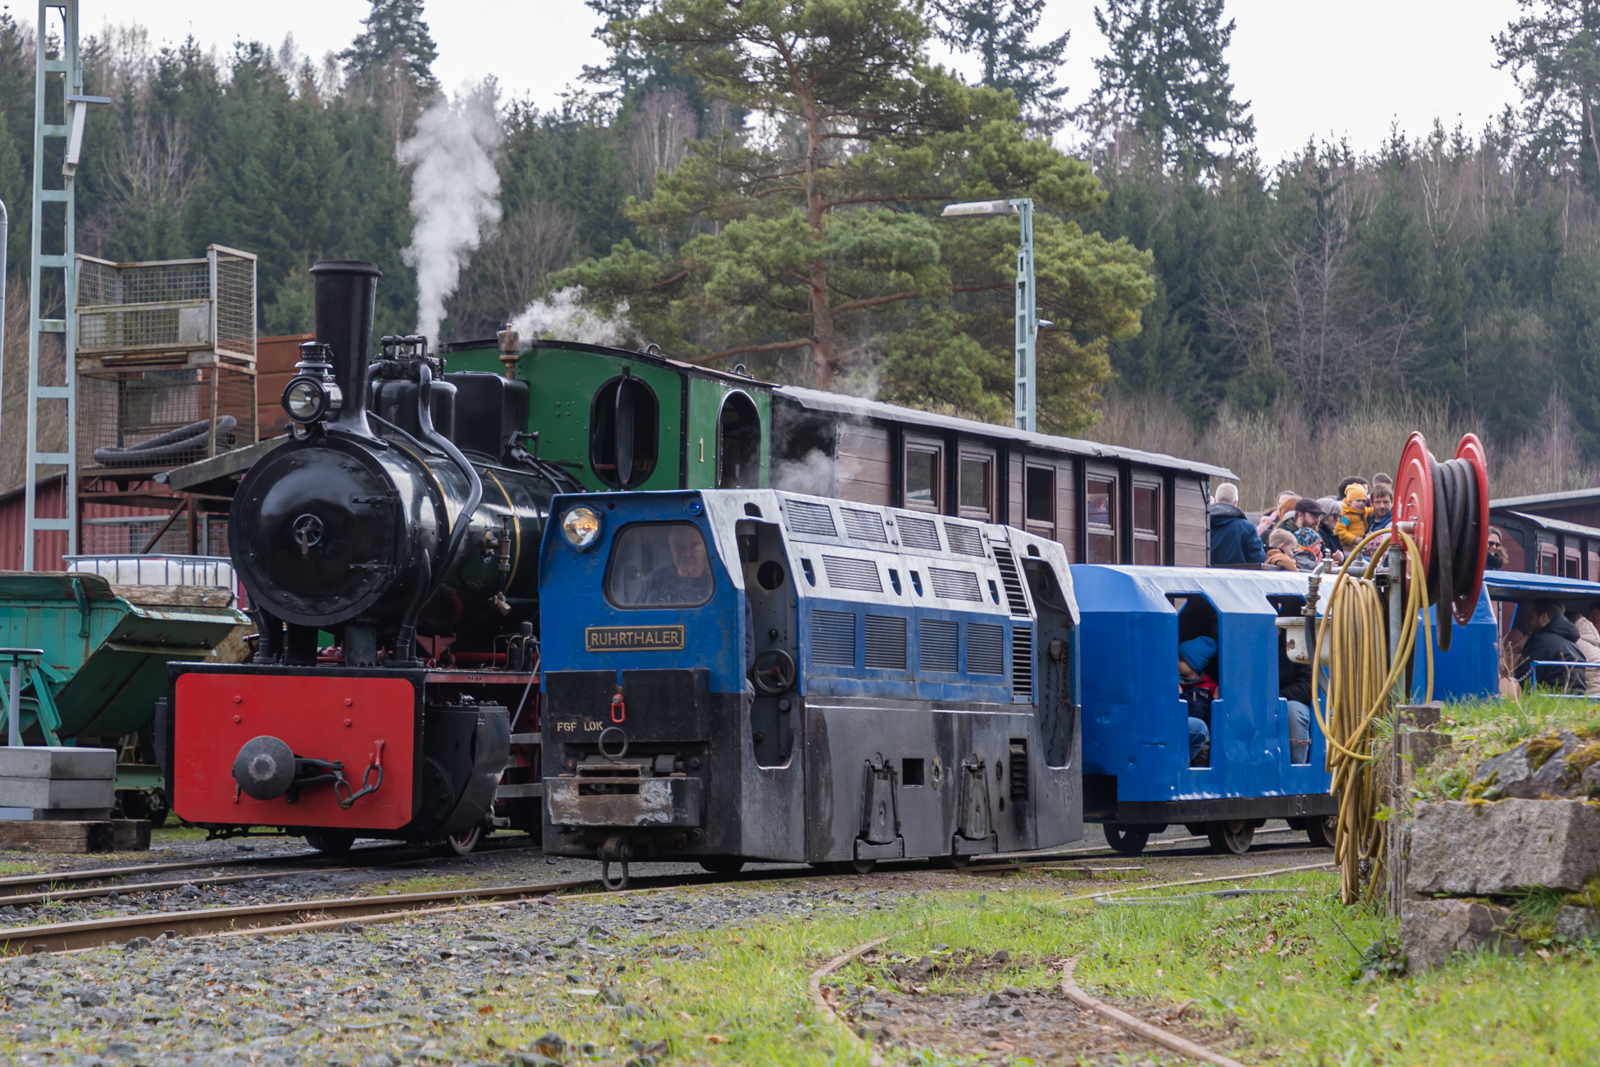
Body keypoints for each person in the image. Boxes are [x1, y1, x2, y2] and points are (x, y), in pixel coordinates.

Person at [1513, 599, 1584, 690]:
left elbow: (1523, 682)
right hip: (1578, 701)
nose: (1527, 623)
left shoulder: (1539, 641)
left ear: (1543, 618)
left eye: (1531, 617)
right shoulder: (1574, 646)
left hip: (1549, 700)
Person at [634, 525, 714, 604]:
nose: (686, 554)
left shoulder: (717, 581)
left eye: (694, 546)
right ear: (670, 544)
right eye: (679, 546)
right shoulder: (652, 582)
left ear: (705, 546)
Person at [1179, 636, 1218, 767]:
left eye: (1181, 660)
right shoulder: (1178, 685)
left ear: (1194, 664)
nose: (1176, 662)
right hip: (1185, 734)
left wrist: (1217, 699)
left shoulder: (1210, 686)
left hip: (1205, 738)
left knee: (1203, 757)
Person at [1279, 628, 1315, 764]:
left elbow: (1309, 686)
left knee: (1293, 711)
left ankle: (1297, 767)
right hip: (1258, 702)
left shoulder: (1298, 645)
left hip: (1297, 701)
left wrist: (1275, 697)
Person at [1209, 483, 1266, 565]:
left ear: (1214, 501)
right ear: (1235, 503)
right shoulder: (1247, 528)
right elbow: (1258, 559)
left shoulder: (1201, 524)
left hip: (1201, 576)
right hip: (1236, 577)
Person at [1568, 611, 1600, 697]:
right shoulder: (1593, 645)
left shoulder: (1571, 644)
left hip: (1589, 699)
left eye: (1594, 618)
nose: (1590, 620)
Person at [1335, 482, 1371, 549]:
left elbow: (1371, 510)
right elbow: (1340, 531)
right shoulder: (1346, 515)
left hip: (1359, 545)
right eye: (1358, 501)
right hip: (1348, 546)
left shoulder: (1363, 511)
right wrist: (1354, 539)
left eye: (1363, 501)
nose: (1361, 504)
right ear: (1349, 502)